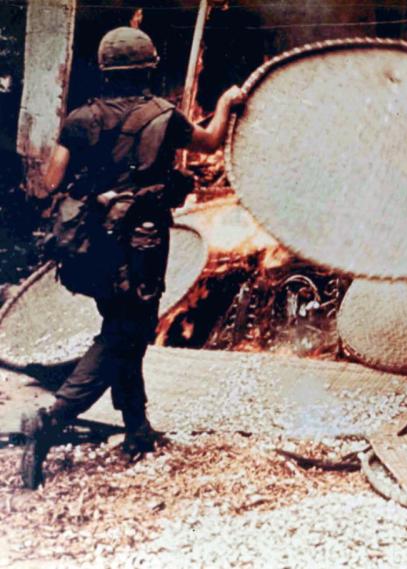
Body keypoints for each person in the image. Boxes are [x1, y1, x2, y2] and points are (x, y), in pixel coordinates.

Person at [19, 26, 244, 489]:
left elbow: (51, 181)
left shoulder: (80, 119)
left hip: (94, 244)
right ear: (148, 69)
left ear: (104, 71)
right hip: (142, 243)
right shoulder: (166, 117)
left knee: (123, 325)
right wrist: (226, 104)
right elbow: (212, 141)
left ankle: (137, 429)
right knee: (126, 331)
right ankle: (51, 418)